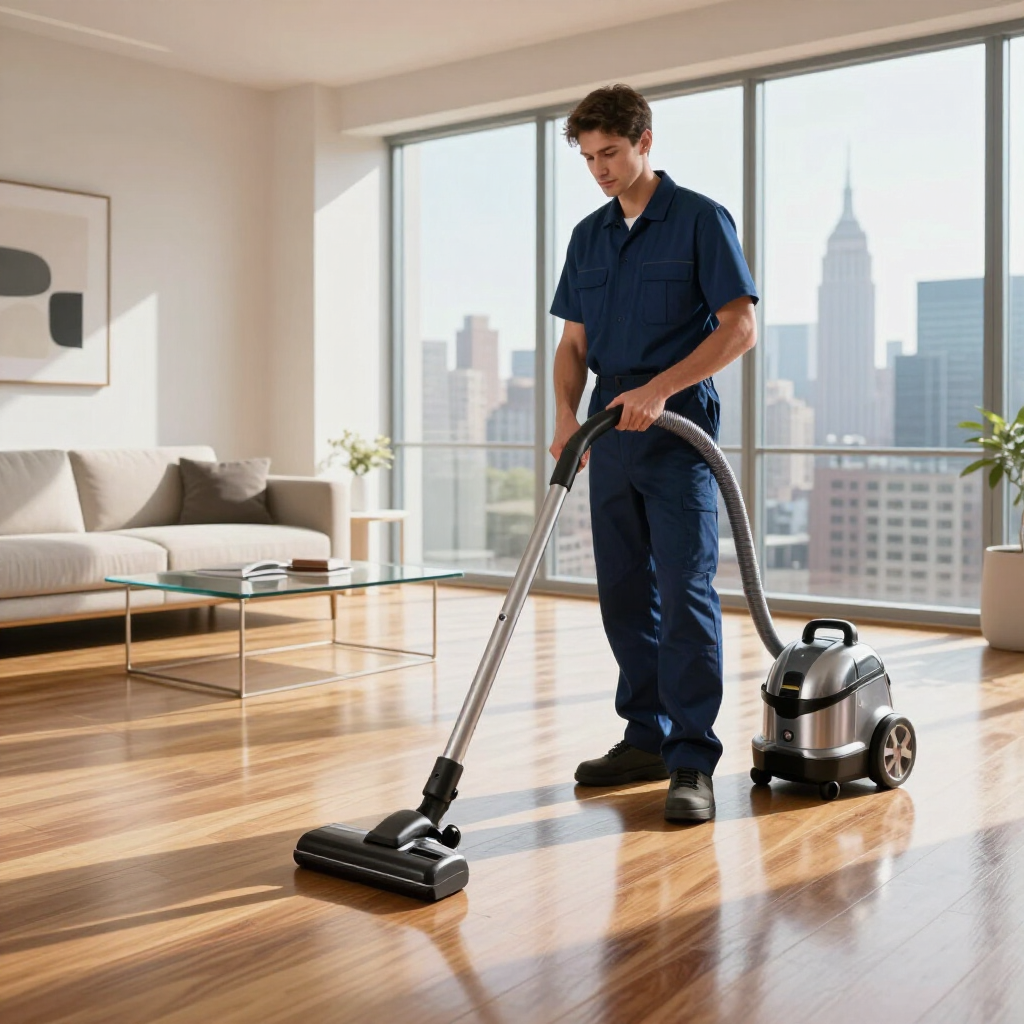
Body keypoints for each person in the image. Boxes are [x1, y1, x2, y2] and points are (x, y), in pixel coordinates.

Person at [549, 84, 758, 823]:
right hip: (607, 427)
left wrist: (662, 389)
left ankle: (692, 757)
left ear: (645, 141)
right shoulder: (588, 236)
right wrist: (565, 414)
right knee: (623, 591)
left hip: (677, 427)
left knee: (684, 589)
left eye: (610, 153)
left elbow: (739, 328)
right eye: (588, 158)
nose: (600, 169)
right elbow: (572, 344)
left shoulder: (700, 218)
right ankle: (645, 737)